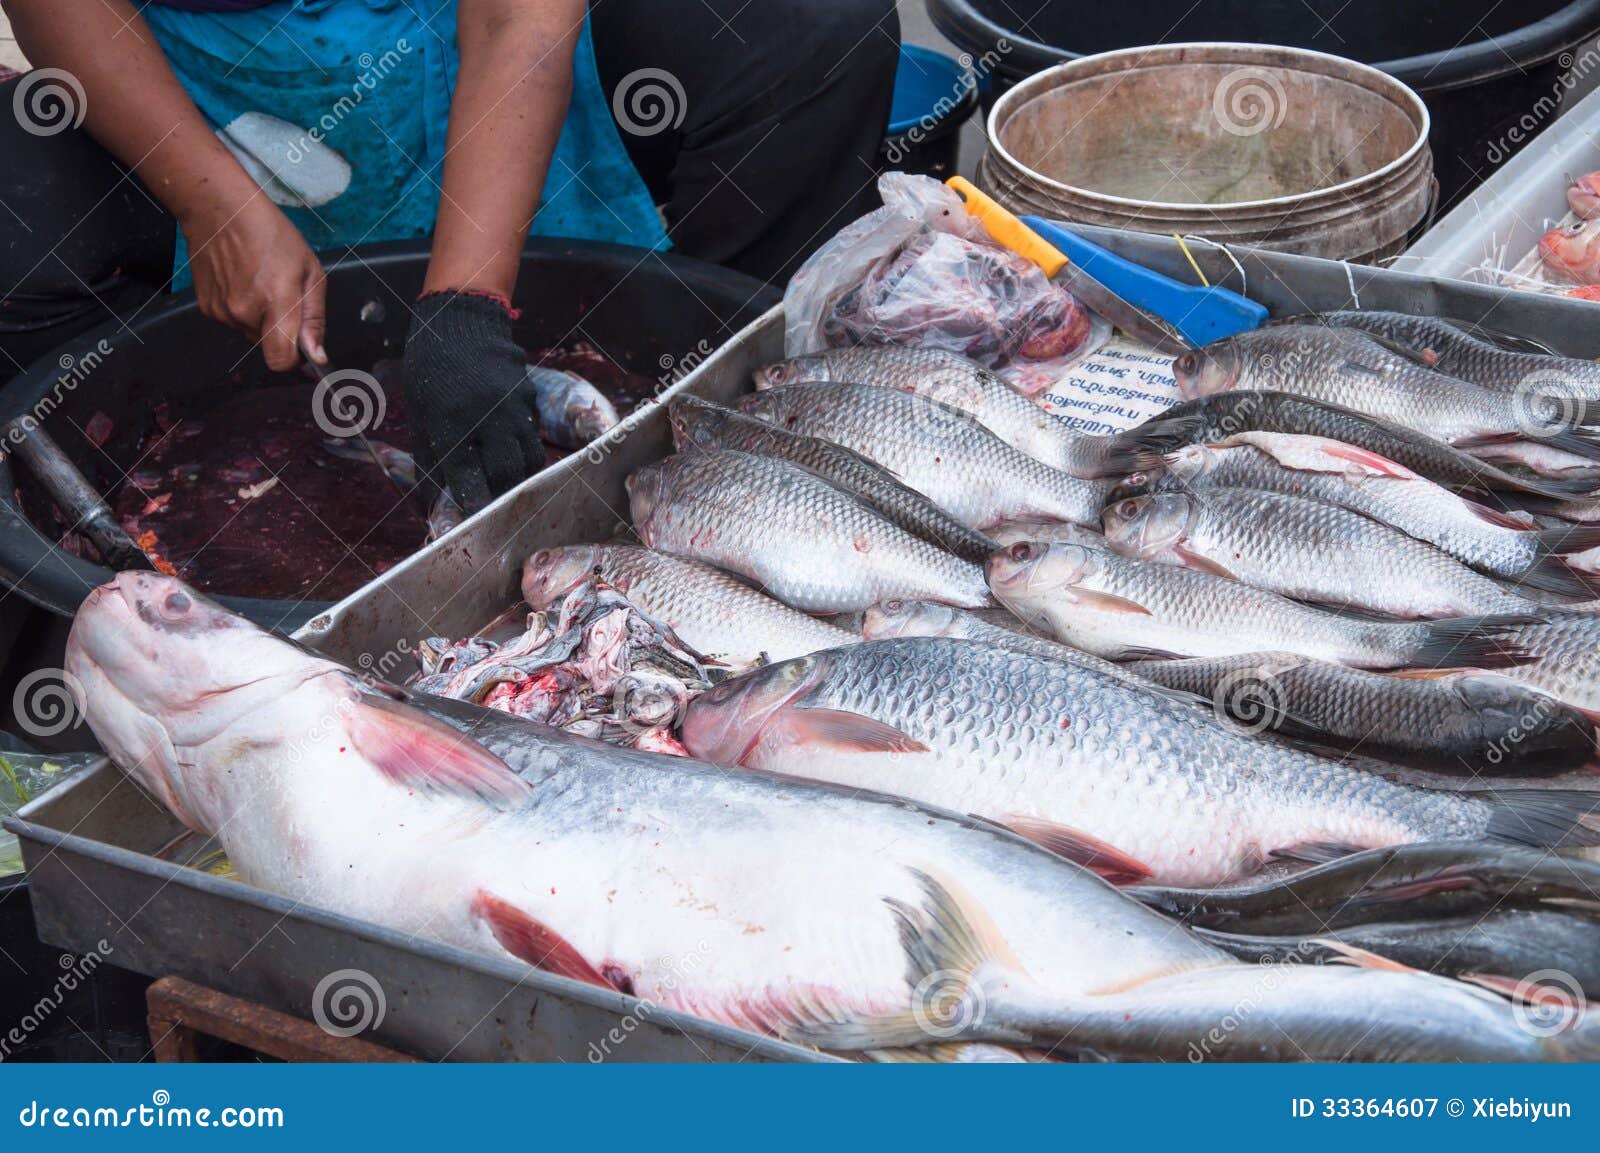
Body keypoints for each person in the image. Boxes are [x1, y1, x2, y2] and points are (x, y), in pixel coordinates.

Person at [0, 0, 899, 511]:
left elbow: (517, 20)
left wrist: (466, 308)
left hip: (484, 34)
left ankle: (733, 428)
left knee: (808, 29)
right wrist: (210, 200)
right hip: (182, 72)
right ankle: (122, 531)